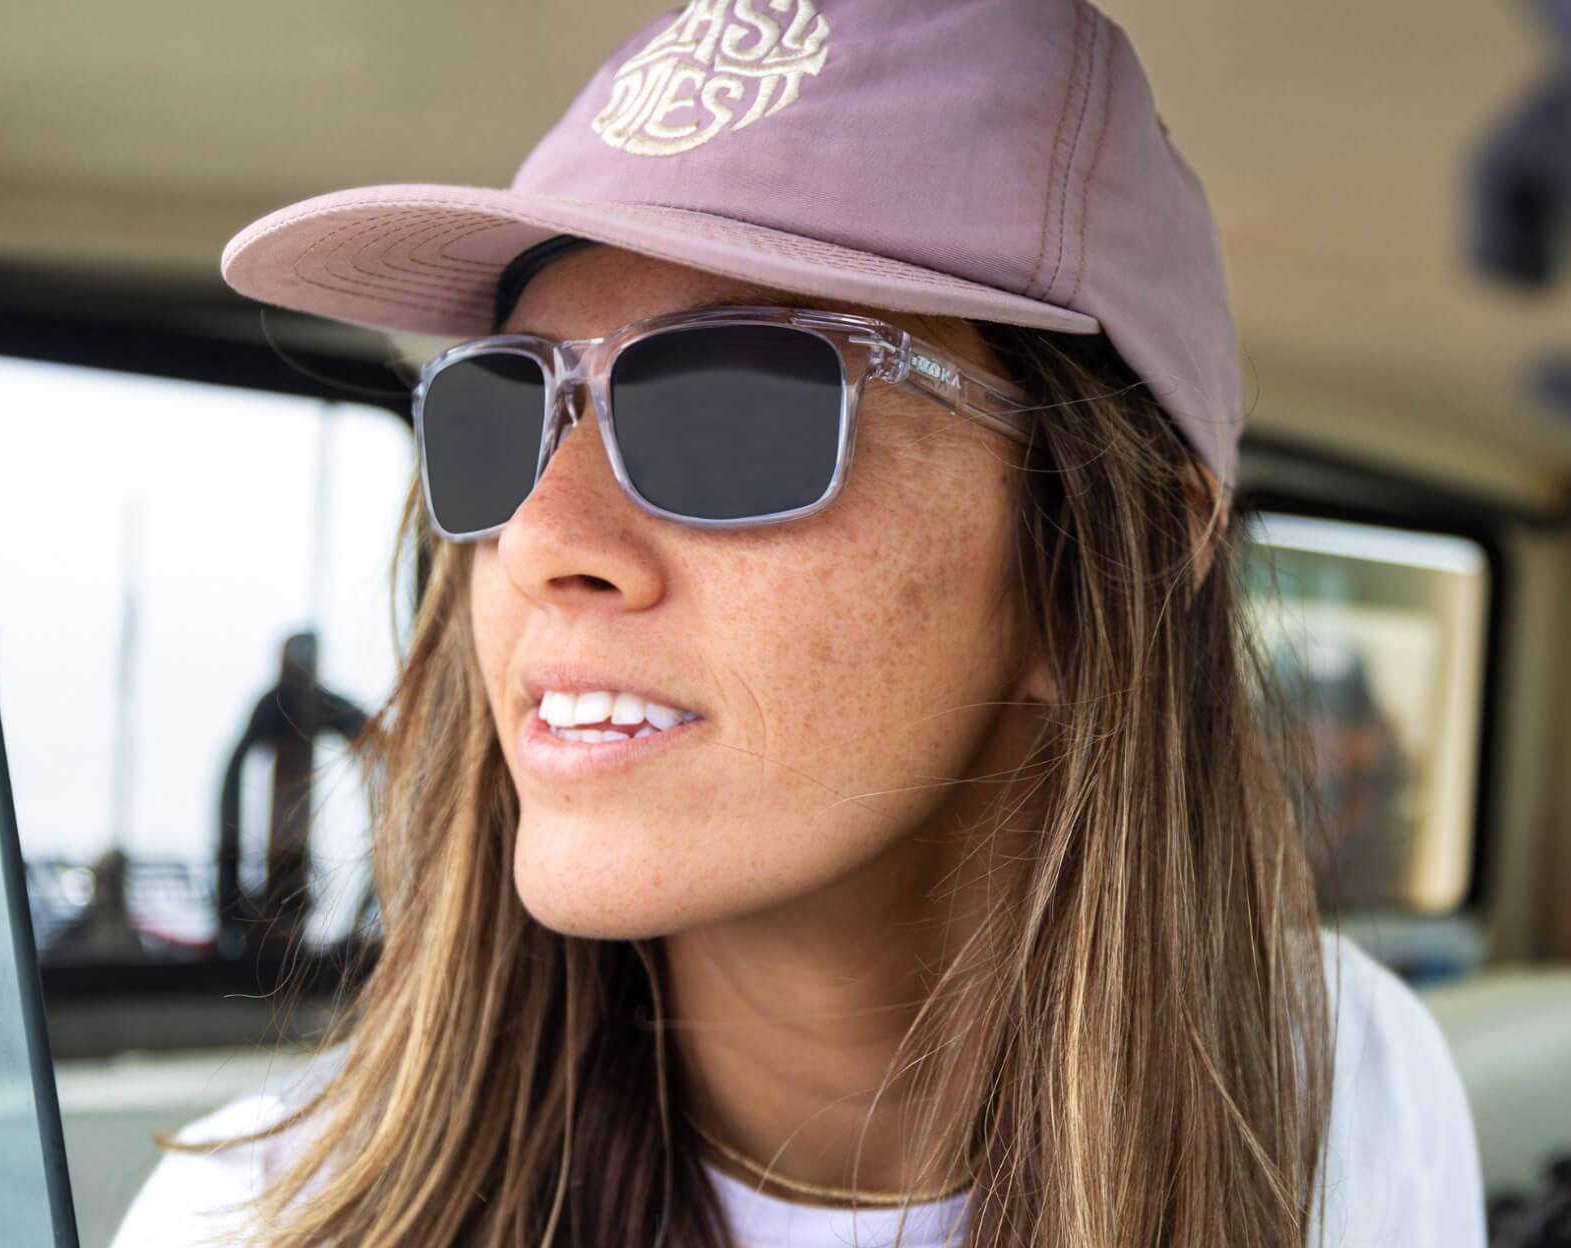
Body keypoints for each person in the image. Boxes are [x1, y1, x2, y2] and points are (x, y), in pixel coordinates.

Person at [114, 1, 1484, 1244]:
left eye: (733, 407)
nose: (538, 539)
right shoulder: (249, 1223)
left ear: (1098, 574)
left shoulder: (1345, 1083)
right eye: (496, 412)